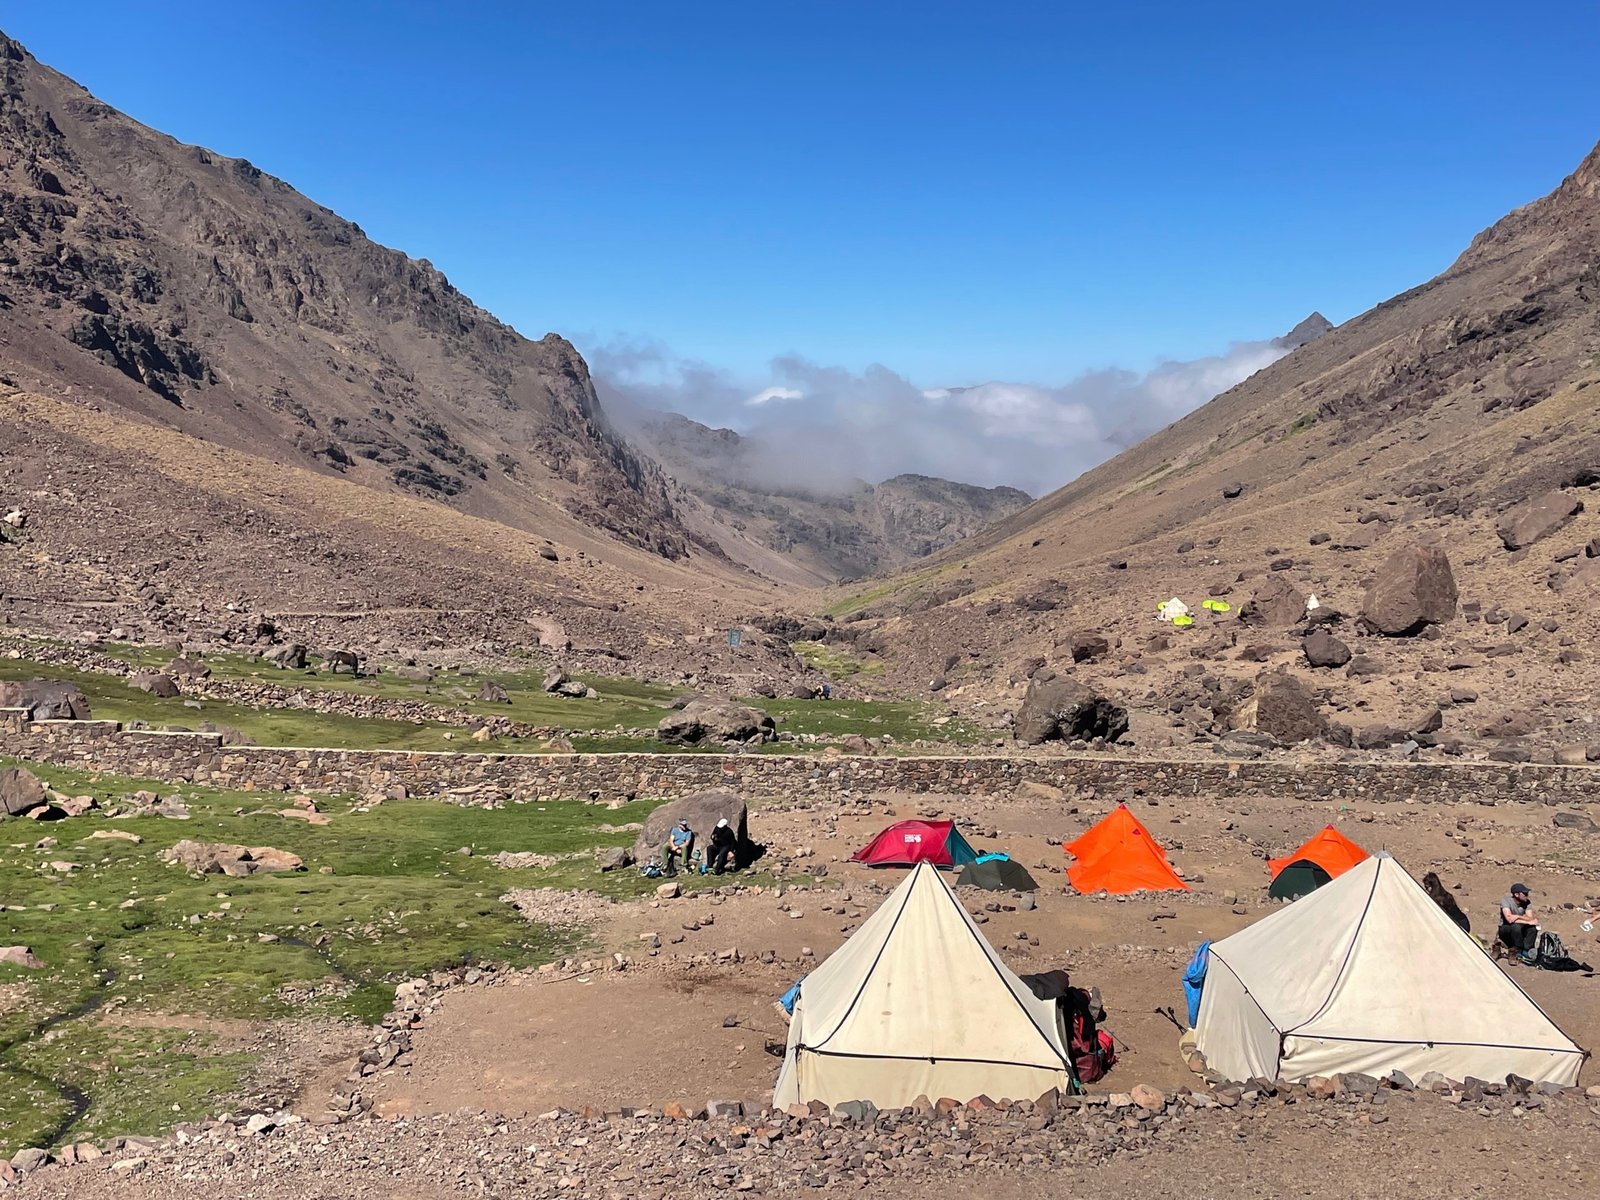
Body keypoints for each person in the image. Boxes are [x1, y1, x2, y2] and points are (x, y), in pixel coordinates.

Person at [1496, 882, 1539, 963]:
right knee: (1515, 927)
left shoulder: (1527, 903)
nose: (1527, 895)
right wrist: (1525, 920)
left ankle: (1527, 950)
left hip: (1519, 926)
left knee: (1532, 928)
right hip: (1505, 928)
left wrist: (1517, 917)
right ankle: (1517, 949)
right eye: (1524, 893)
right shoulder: (1505, 902)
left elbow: (1530, 918)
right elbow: (1509, 919)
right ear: (1516, 894)